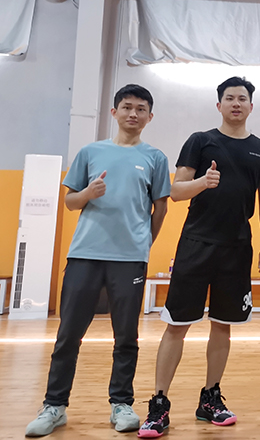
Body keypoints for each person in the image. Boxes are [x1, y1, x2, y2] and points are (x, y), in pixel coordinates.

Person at [26, 85, 171, 437]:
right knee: (68, 335)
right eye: (127, 107)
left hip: (129, 260)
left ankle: (121, 404)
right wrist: (88, 193)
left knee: (126, 337)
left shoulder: (155, 157)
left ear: (150, 117)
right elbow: (70, 202)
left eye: (140, 109)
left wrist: (143, 244)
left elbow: (161, 207)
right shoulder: (90, 152)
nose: (133, 113)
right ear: (114, 112)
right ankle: (54, 406)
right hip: (84, 255)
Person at [138, 77, 260, 438]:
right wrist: (202, 182)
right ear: (219, 105)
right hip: (196, 244)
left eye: (242, 98)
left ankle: (210, 398)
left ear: (251, 106)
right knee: (177, 325)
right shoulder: (200, 141)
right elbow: (175, 191)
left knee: (222, 325)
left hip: (237, 247)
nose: (236, 103)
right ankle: (159, 403)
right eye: (229, 98)